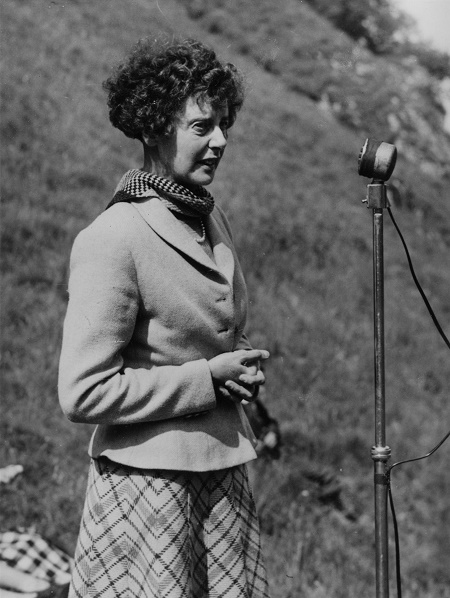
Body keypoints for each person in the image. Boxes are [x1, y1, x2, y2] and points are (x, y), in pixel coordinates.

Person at [58, 37, 271, 598]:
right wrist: (208, 379)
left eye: (224, 124)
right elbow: (82, 393)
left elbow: (209, 328)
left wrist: (238, 367)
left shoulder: (207, 218)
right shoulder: (114, 237)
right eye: (202, 127)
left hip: (220, 481)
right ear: (154, 130)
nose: (221, 141)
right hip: (150, 496)